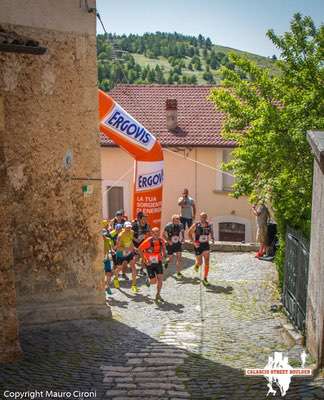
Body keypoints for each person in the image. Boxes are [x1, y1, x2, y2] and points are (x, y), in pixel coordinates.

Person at [139, 227, 167, 304]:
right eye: (155, 233)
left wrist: (164, 256)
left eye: (158, 233)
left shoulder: (161, 241)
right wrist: (144, 259)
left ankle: (158, 294)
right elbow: (139, 249)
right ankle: (148, 280)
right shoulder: (148, 241)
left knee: (160, 279)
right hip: (149, 263)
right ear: (152, 233)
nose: (156, 234)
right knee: (153, 282)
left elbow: (164, 249)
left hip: (158, 262)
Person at [189, 212, 214, 286]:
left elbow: (211, 232)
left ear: (206, 217)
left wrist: (212, 238)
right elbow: (189, 233)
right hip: (198, 245)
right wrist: (193, 242)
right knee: (200, 262)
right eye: (202, 217)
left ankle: (205, 278)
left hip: (206, 245)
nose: (203, 218)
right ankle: (197, 265)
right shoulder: (196, 225)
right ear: (200, 217)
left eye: (205, 217)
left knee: (207, 261)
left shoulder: (209, 225)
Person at [115, 221, 139, 293]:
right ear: (124, 228)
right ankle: (116, 278)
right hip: (120, 254)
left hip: (129, 253)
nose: (128, 229)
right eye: (127, 227)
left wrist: (134, 248)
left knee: (133, 267)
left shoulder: (131, 232)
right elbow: (118, 248)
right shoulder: (120, 236)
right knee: (119, 268)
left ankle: (134, 285)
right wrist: (127, 249)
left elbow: (130, 241)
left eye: (129, 227)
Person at [163, 214, 185, 279]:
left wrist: (183, 238)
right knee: (171, 259)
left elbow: (182, 232)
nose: (178, 222)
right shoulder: (168, 226)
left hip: (177, 243)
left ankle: (178, 272)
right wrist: (168, 241)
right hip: (170, 244)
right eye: (176, 220)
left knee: (179, 258)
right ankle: (167, 261)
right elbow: (163, 235)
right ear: (173, 220)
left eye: (178, 220)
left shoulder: (181, 225)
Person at [132, 211, 151, 276]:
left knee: (144, 257)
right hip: (135, 245)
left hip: (143, 244)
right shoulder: (134, 225)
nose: (145, 219)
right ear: (140, 219)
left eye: (146, 218)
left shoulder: (147, 225)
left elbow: (149, 233)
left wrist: (146, 237)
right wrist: (136, 240)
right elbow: (130, 235)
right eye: (144, 218)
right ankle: (133, 269)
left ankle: (141, 270)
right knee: (136, 258)